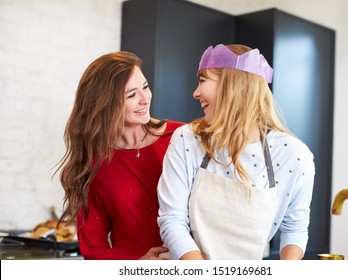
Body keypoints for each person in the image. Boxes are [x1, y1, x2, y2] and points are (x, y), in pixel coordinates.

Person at [157, 44, 315, 260]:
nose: (195, 93)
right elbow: (172, 219)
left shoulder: (294, 155)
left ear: (233, 84)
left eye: (202, 80)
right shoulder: (187, 139)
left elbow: (294, 227)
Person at [55, 51, 184, 259]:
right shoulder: (94, 166)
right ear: (105, 104)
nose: (145, 99)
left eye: (145, 87)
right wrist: (137, 264)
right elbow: (93, 250)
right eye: (131, 95)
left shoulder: (182, 137)